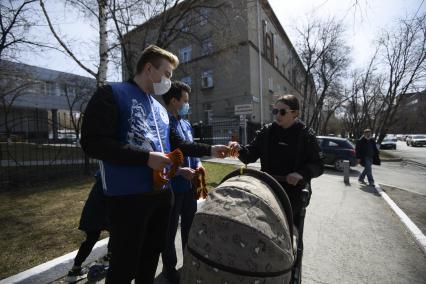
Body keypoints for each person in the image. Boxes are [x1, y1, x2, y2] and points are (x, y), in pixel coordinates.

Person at [80, 45, 228, 284]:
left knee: (149, 262)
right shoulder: (111, 93)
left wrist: (210, 150)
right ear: (149, 69)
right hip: (127, 198)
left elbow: (178, 144)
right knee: (123, 266)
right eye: (167, 74)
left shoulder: (159, 108)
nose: (170, 81)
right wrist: (145, 159)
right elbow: (93, 143)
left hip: (161, 196)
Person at [229, 94, 323, 227]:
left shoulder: (306, 135)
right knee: (265, 228)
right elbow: (249, 156)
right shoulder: (266, 132)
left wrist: (301, 174)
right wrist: (239, 149)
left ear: (295, 113)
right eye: (275, 111)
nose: (277, 115)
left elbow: (319, 165)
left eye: (282, 112)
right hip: (267, 190)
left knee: (291, 233)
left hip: (294, 195)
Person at [161, 81, 203, 284]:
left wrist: (199, 164)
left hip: (189, 187)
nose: (188, 104)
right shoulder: (163, 123)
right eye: (185, 101)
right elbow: (161, 158)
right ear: (173, 101)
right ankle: (169, 269)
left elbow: (192, 149)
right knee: (169, 231)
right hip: (172, 188)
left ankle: (190, 262)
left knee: (190, 226)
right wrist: (178, 172)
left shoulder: (185, 124)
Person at [65, 175, 111, 283]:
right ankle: (108, 258)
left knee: (91, 239)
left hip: (92, 212)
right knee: (116, 232)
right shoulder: (113, 176)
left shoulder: (102, 176)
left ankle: (75, 269)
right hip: (104, 211)